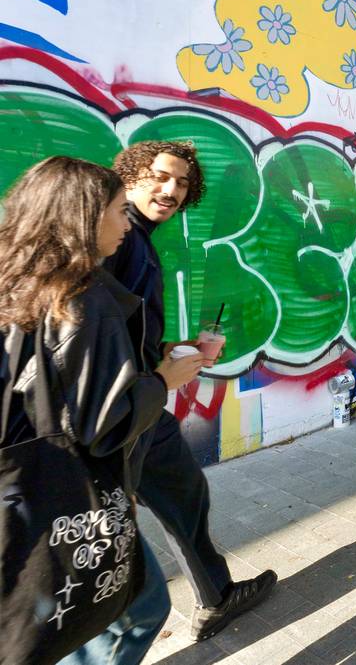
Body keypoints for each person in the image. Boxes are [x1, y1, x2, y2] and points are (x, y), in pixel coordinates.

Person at [0, 157, 201, 664]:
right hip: (64, 493)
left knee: (71, 618)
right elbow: (102, 425)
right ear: (84, 218)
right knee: (140, 606)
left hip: (20, 486)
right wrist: (164, 380)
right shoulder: (85, 299)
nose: (124, 224)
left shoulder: (17, 280)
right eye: (117, 211)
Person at [105, 141, 277, 642]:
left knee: (183, 493)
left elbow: (119, 326)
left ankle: (216, 597)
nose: (171, 190)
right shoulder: (123, 238)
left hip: (139, 402)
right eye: (160, 177)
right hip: (124, 409)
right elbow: (93, 333)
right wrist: (159, 377)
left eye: (181, 183)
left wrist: (165, 349)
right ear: (130, 177)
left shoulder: (135, 237)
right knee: (115, 527)